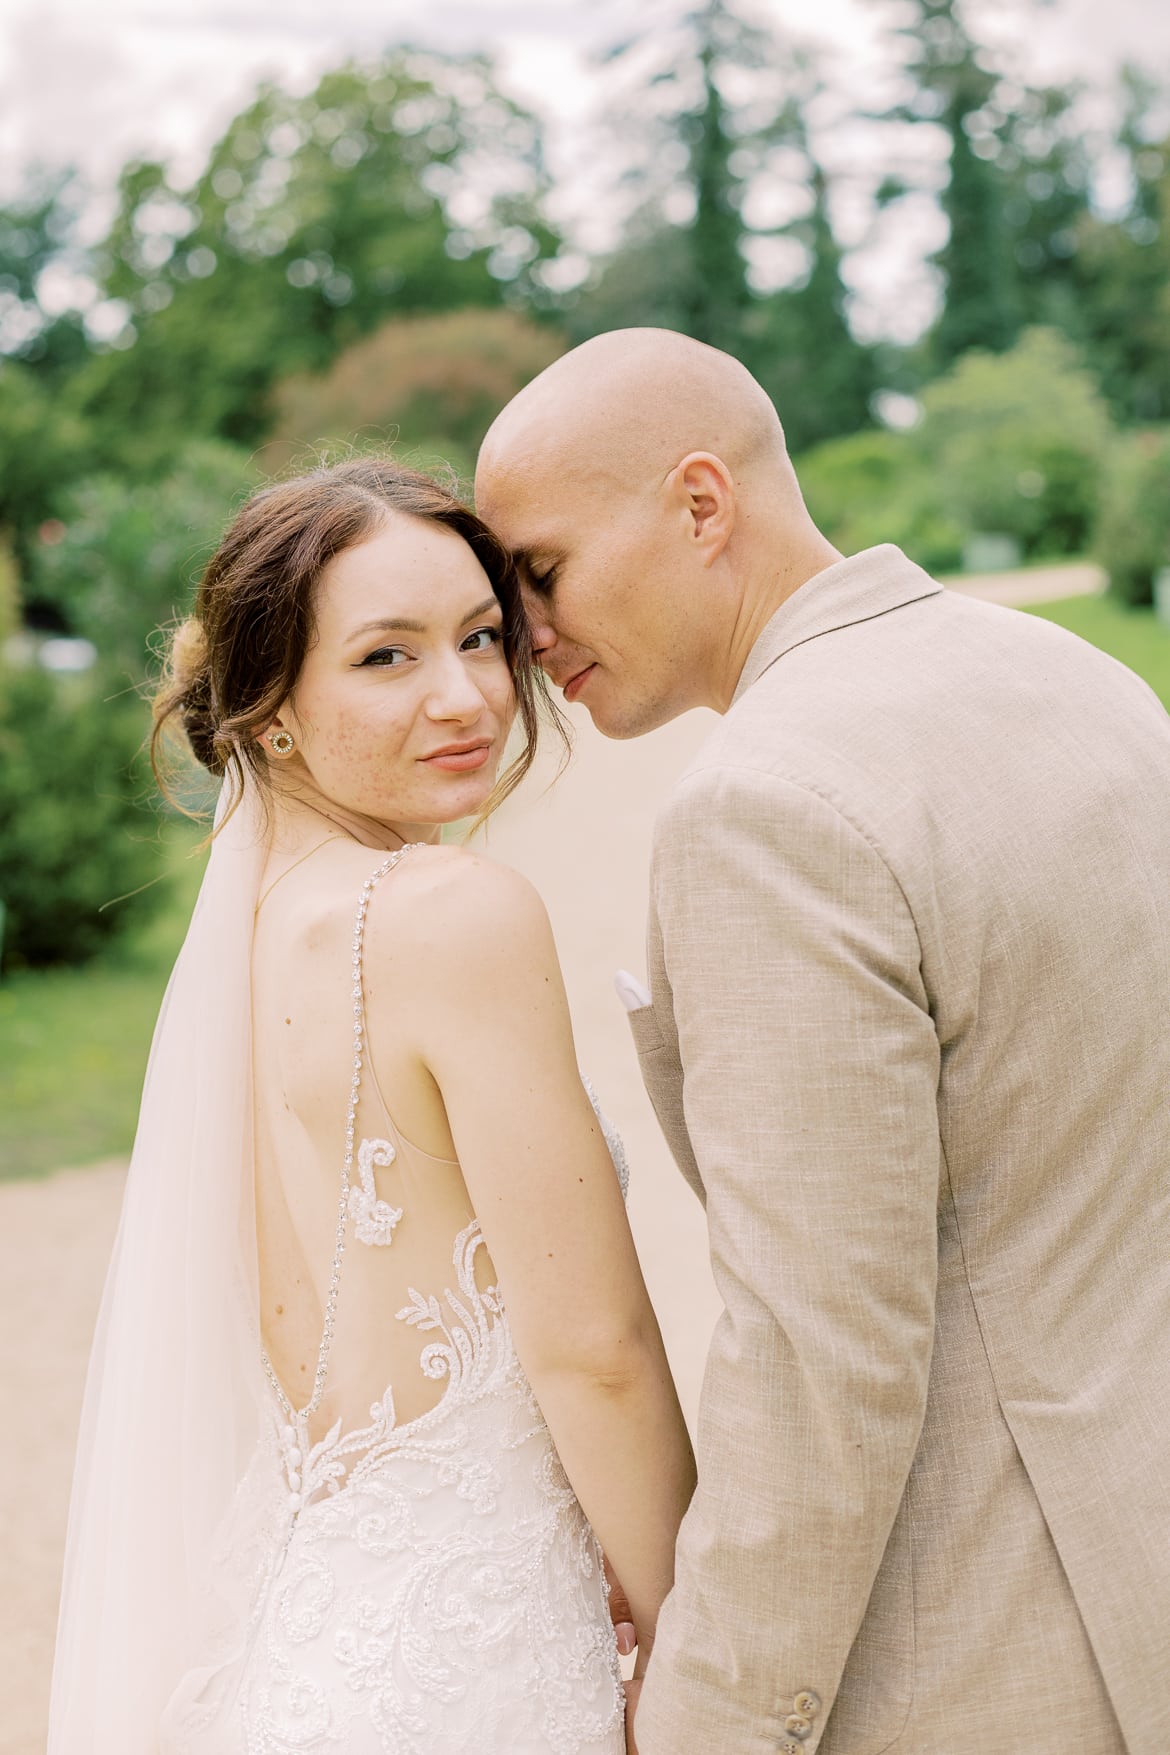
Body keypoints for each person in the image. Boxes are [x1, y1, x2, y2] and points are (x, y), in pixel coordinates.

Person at [475, 328, 1170, 1755]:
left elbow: (819, 1360)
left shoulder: (767, 813)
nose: (528, 636)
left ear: (699, 503)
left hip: (984, 1655)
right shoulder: (1082, 679)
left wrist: (712, 1724)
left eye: (539, 572)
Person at [48, 457, 695, 1755]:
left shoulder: (249, 945)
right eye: (386, 658)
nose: (463, 696)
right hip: (485, 1670)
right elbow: (596, 1352)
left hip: (321, 1651)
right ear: (272, 706)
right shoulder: (446, 914)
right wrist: (698, 1632)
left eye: (478, 638)